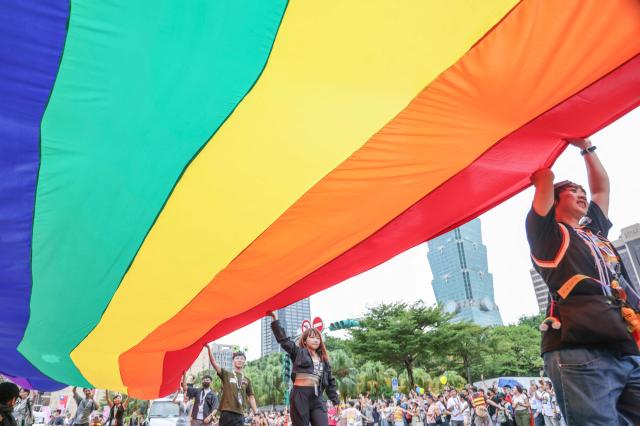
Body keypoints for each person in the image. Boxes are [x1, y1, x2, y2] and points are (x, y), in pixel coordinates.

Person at [526, 137, 640, 425]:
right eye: (571, 191)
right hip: (579, 350)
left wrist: (587, 148)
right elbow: (543, 184)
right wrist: (546, 176)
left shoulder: (593, 231)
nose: (581, 194)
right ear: (554, 201)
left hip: (625, 345)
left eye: (581, 191)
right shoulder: (549, 237)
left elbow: (601, 189)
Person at [267, 311, 340, 426]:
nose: (316, 340)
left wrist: (336, 401)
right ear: (305, 341)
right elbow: (284, 341)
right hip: (300, 396)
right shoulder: (298, 352)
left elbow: (330, 382)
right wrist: (275, 320)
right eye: (312, 338)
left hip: (317, 398)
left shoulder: (324, 360)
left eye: (318, 338)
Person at [205, 344, 258, 426]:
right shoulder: (227, 374)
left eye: (242, 359)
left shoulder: (247, 380)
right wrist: (208, 348)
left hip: (240, 414)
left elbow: (251, 397)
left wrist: (256, 414)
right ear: (233, 361)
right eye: (237, 358)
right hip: (226, 413)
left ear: (244, 362)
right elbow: (213, 363)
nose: (239, 360)